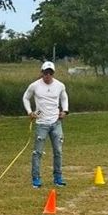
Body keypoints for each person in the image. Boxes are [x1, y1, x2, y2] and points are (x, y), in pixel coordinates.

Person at [23, 60, 69, 188]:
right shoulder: (35, 85)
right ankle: (36, 178)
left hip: (56, 123)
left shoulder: (60, 85)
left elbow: (64, 98)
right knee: (37, 152)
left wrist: (65, 111)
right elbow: (26, 97)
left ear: (53, 73)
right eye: (45, 73)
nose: (47, 75)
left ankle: (58, 177)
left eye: (50, 73)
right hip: (41, 123)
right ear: (42, 73)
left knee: (58, 151)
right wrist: (29, 112)